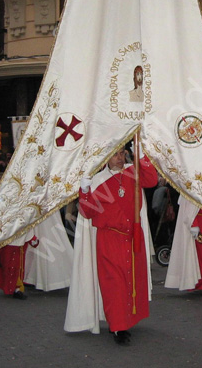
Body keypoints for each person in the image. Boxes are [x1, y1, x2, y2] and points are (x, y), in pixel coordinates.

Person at [64, 147, 158, 344]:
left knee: (131, 281)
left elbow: (152, 181)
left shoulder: (134, 172)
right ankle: (118, 327)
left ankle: (125, 320)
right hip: (109, 239)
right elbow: (88, 212)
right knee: (113, 283)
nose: (120, 158)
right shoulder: (98, 181)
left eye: (123, 153)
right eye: (115, 154)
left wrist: (140, 154)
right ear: (106, 157)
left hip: (133, 238)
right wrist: (84, 190)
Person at [0, 231, 38, 300]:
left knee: (17, 265)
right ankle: (12, 287)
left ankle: (16, 288)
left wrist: (32, 238)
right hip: (8, 241)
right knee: (8, 265)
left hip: (19, 241)